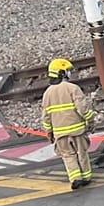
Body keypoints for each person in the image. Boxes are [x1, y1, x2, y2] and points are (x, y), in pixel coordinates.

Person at [41, 58, 96, 189]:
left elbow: (46, 116)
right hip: (78, 130)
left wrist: (49, 132)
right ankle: (86, 177)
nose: (70, 73)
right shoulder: (73, 88)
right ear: (62, 73)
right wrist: (90, 121)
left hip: (60, 133)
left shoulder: (47, 93)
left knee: (68, 156)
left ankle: (75, 178)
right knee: (82, 153)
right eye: (68, 71)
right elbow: (83, 108)